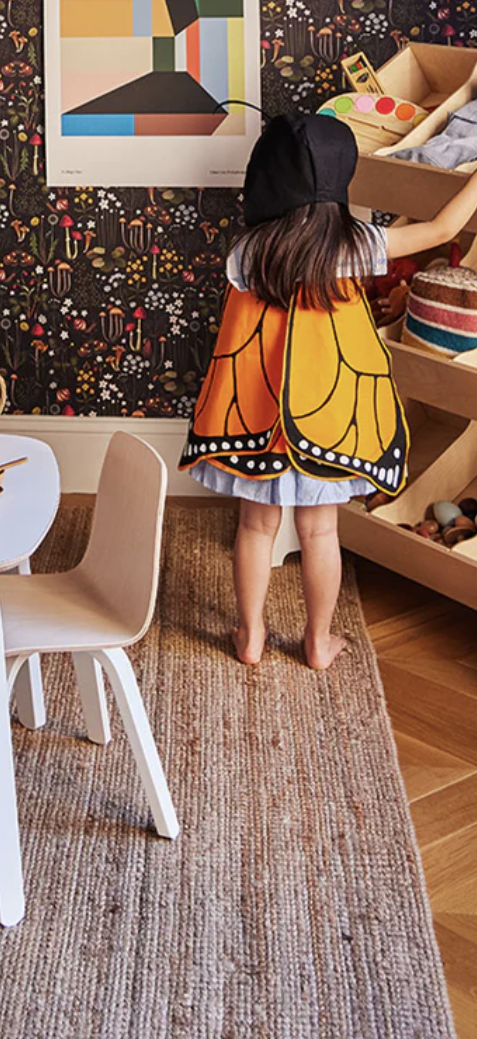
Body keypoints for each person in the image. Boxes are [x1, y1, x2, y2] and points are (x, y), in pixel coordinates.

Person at [180, 112, 477, 670]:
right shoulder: (355, 245)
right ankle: (317, 642)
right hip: (329, 420)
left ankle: (250, 636)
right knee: (319, 532)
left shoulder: (248, 252)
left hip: (259, 421)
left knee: (254, 526)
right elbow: (439, 231)